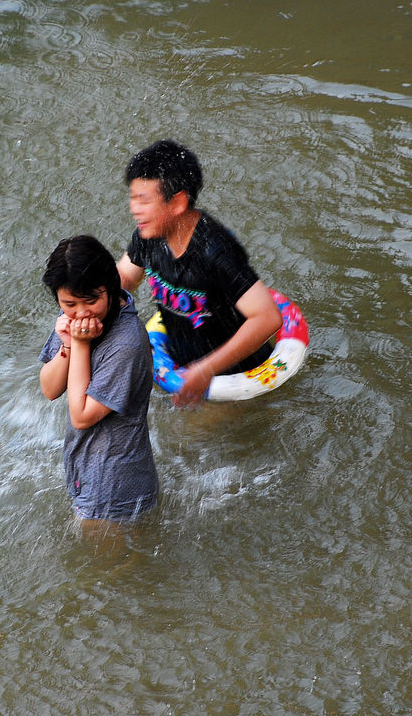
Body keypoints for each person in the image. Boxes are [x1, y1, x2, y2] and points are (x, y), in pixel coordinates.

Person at [116, 139, 283, 408]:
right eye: (132, 197)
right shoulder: (149, 236)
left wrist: (205, 370)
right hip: (180, 362)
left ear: (178, 202)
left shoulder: (214, 251)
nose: (133, 208)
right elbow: (124, 279)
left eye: (143, 199)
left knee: (186, 441)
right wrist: (84, 297)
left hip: (233, 377)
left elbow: (267, 317)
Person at [38, 235, 158, 526]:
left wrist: (79, 345)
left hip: (114, 490)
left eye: (91, 301)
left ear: (111, 287)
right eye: (68, 303)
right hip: (87, 472)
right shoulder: (77, 318)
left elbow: (81, 417)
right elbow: (50, 389)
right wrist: (67, 346)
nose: (81, 313)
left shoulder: (126, 344)